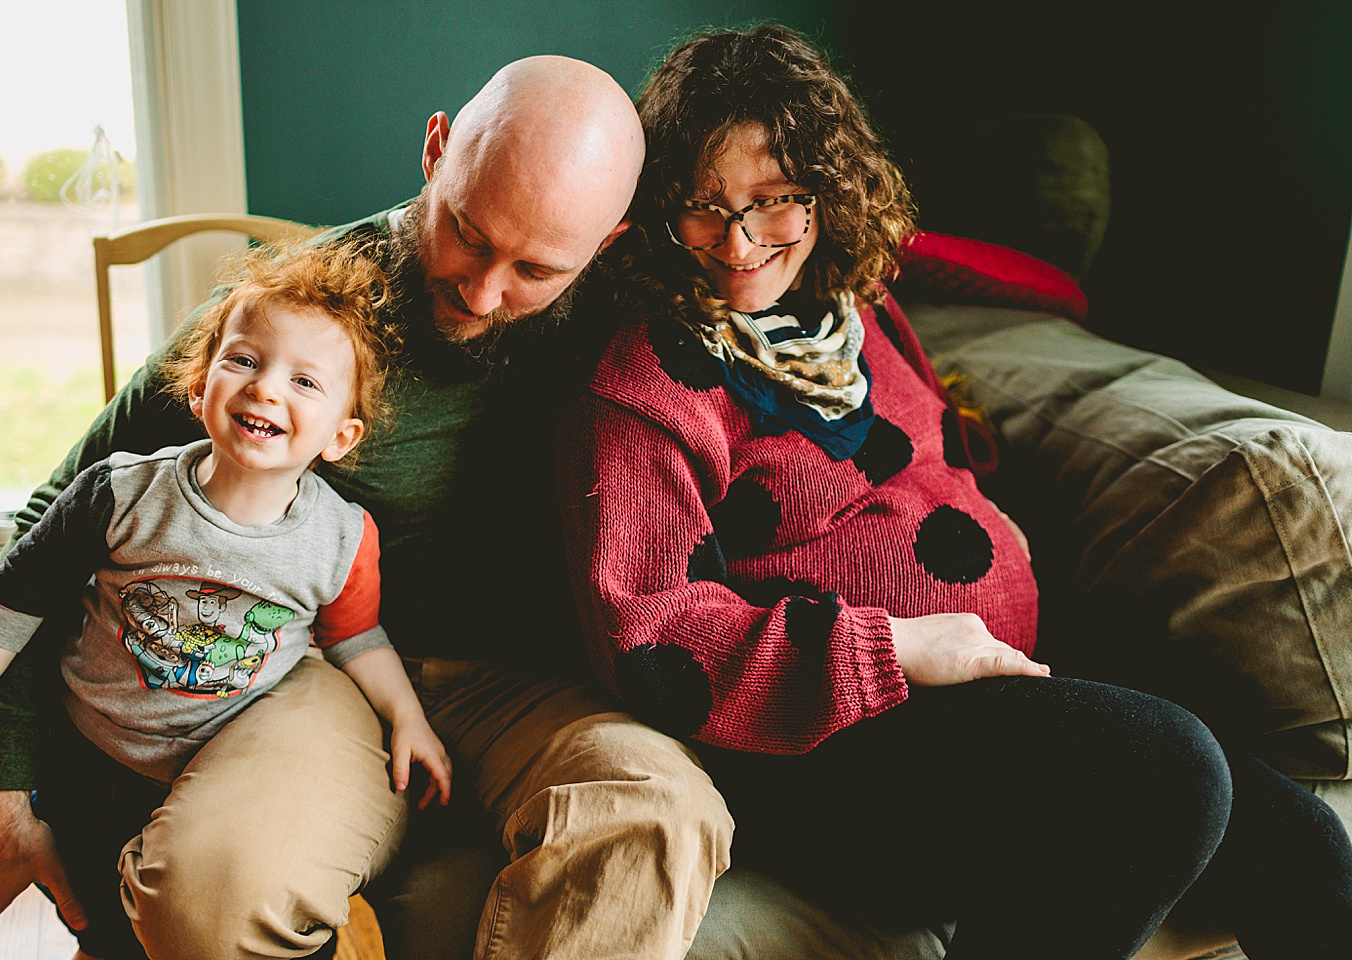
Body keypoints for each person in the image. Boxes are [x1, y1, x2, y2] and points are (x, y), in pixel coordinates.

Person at [557, 24, 1352, 959]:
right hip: (826, 748)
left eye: (774, 201)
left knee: (1307, 848)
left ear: (825, 192)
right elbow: (650, 636)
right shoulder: (646, 374)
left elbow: (928, 455)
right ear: (657, 211)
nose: (739, 245)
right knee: (1168, 775)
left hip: (987, 691)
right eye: (702, 207)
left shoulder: (856, 304)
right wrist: (900, 643)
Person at [0, 56, 732, 960]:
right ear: (435, 151)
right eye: (466, 234)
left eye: (535, 269)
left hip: (542, 687)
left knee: (662, 812)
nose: (482, 293)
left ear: (607, 243)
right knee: (210, 890)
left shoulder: (635, 320)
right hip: (333, 675)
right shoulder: (295, 320)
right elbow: (62, 512)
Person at [0, 239, 453, 959]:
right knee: (103, 923)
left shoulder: (342, 536)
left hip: (220, 764)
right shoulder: (121, 492)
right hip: (89, 757)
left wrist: (408, 719)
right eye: (245, 360)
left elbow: (359, 637)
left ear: (342, 434)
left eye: (305, 382)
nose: (267, 388)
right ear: (199, 389)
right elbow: (25, 583)